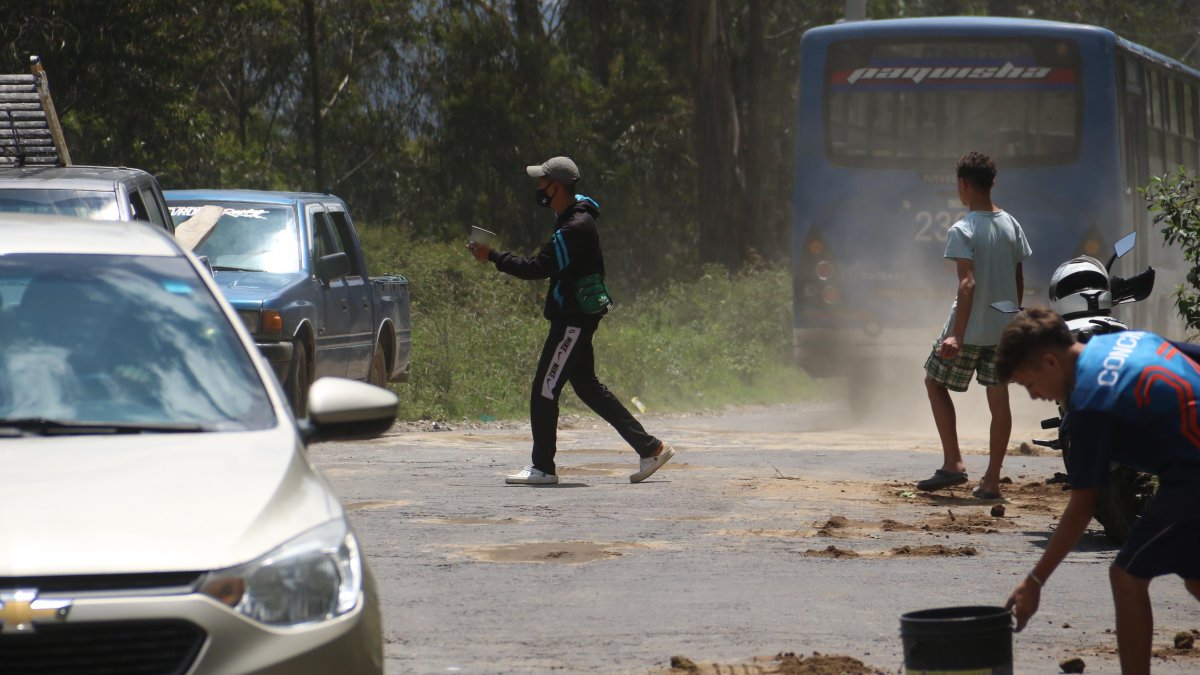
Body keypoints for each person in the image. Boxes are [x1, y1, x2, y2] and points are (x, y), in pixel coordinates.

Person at [996, 307, 1200, 675]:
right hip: (1186, 469)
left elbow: (1084, 504)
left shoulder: (1088, 403)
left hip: (1192, 474)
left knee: (1126, 576)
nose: (1034, 396)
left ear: (1050, 361)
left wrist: (1035, 580)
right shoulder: (1126, 340)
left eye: (1029, 384)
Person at [467, 155, 675, 485]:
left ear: (557, 187)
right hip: (576, 317)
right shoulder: (574, 215)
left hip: (572, 322)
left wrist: (492, 255)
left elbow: (538, 267)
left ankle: (543, 468)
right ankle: (650, 448)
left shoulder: (574, 228)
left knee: (545, 390)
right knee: (587, 387)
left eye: (542, 183)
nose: (538, 188)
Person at [916, 151, 1032, 500]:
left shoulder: (963, 229)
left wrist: (957, 334)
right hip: (1002, 329)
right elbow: (1017, 279)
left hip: (970, 329)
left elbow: (967, 284)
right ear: (992, 183)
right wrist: (1012, 319)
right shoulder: (1012, 224)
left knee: (934, 382)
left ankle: (954, 463)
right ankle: (992, 481)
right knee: (999, 400)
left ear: (963, 185)